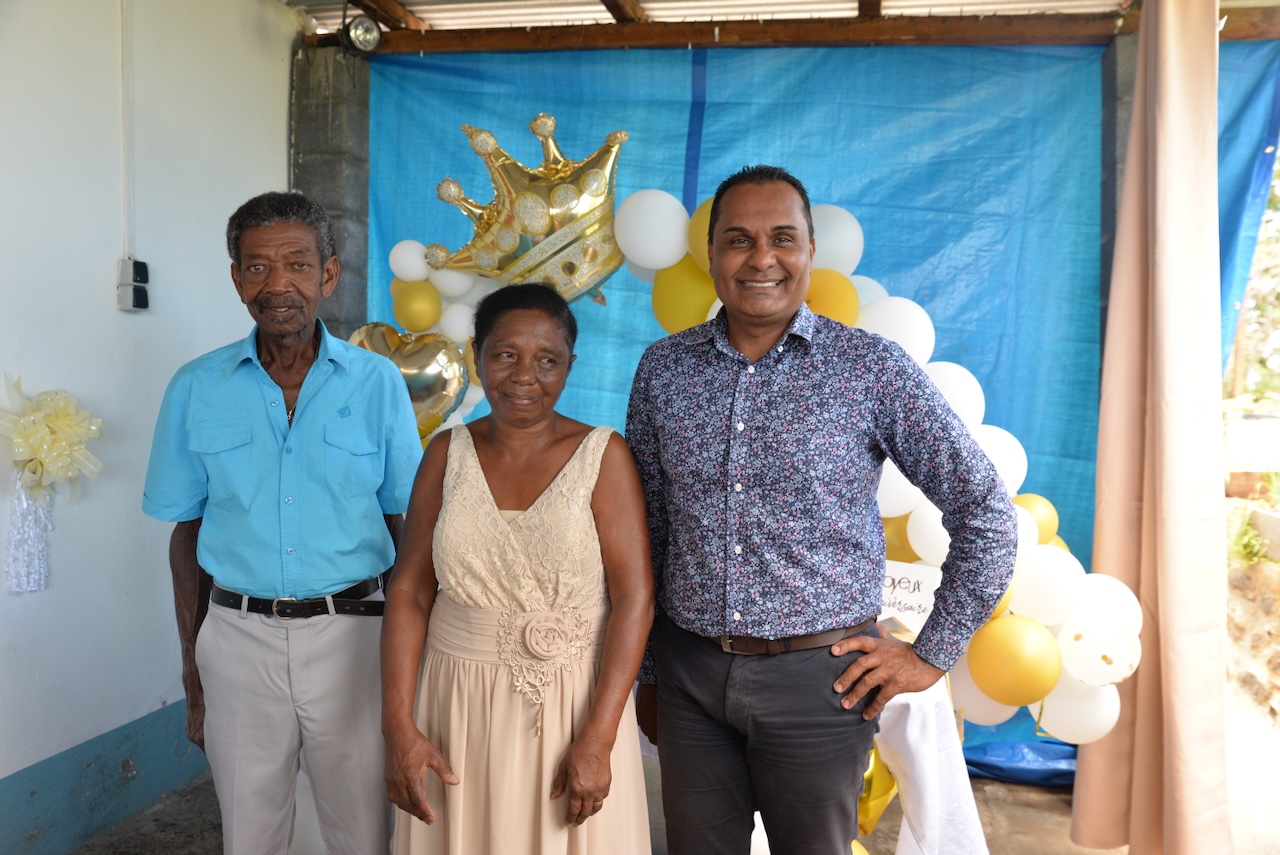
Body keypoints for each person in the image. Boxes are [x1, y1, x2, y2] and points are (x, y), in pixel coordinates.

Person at [625, 165, 1018, 855]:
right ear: (712, 252)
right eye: (739, 239)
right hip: (688, 681)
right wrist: (652, 674)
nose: (761, 258)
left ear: (810, 250)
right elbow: (650, 529)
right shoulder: (664, 370)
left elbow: (985, 509)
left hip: (820, 686)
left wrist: (930, 653)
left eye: (783, 237)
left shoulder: (870, 369)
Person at [142, 191, 422, 855]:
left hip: (355, 637)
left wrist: (413, 660)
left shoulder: (376, 383)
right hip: (236, 640)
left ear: (328, 274)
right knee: (251, 832)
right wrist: (193, 664)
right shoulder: (194, 386)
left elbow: (405, 525)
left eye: (297, 264)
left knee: (363, 831)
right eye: (258, 267)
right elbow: (185, 534)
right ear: (238, 278)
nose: (278, 284)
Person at [381, 283, 654, 855]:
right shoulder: (445, 453)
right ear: (477, 355)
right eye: (506, 354)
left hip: (573, 705)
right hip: (455, 702)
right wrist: (399, 726)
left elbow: (635, 599)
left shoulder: (604, 456)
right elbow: (408, 592)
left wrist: (599, 739)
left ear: (570, 366)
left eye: (546, 359)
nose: (524, 375)